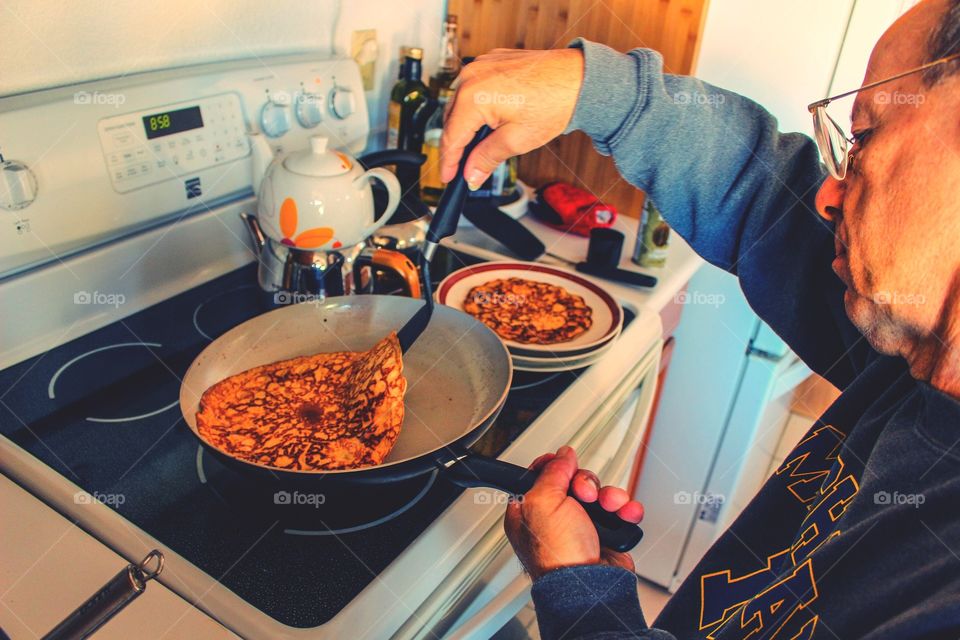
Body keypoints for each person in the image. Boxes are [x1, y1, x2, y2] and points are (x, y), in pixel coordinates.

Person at [440, 0, 960, 637]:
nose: (828, 196)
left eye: (865, 136)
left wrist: (575, 592)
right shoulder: (919, 353)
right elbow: (768, 201)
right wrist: (603, 93)